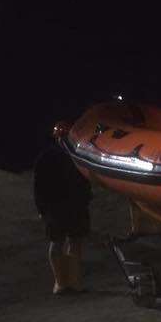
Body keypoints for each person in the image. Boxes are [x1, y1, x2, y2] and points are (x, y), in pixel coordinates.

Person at [33, 123, 92, 295]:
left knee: (68, 242)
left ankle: (67, 283)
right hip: (62, 206)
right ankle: (65, 283)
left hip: (67, 206)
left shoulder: (51, 156)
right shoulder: (70, 156)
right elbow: (39, 186)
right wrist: (42, 209)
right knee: (65, 242)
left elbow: (38, 186)